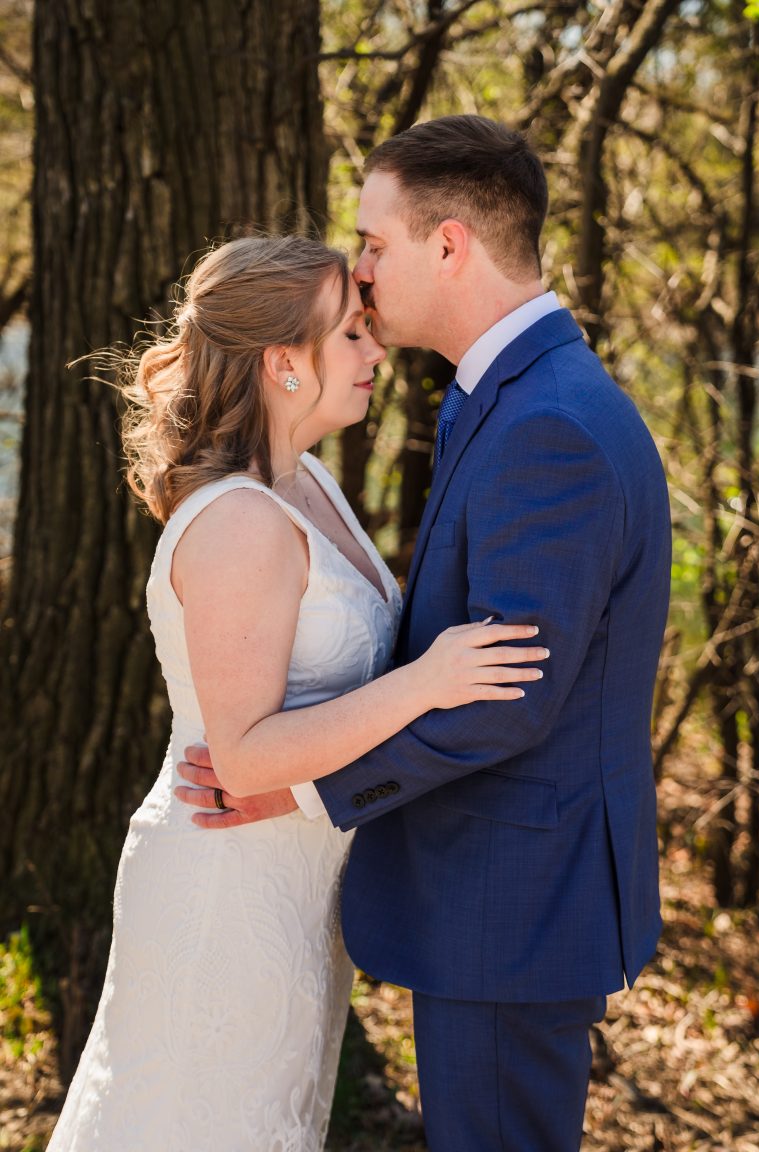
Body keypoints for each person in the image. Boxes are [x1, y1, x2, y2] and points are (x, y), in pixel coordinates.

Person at [178, 117, 672, 1151]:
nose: (360, 275)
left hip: (512, 907)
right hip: (500, 900)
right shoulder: (508, 396)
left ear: (449, 246)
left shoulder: (547, 426)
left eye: (373, 243)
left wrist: (295, 783)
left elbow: (505, 695)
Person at [47, 235, 547, 1152]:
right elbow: (241, 755)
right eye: (351, 335)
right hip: (224, 889)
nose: (374, 352)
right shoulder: (241, 521)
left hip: (299, 884)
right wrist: (426, 684)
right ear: (283, 363)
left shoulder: (306, 480)